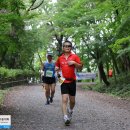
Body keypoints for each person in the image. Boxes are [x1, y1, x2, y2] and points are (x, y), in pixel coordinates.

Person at [55, 40, 83, 125]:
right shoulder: (60, 58)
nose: (67, 47)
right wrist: (56, 68)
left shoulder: (75, 57)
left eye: (69, 46)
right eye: (65, 46)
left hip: (72, 81)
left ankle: (70, 110)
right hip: (63, 81)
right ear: (63, 48)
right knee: (64, 99)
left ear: (71, 47)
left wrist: (74, 63)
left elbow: (80, 67)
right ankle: (65, 117)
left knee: (72, 101)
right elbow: (57, 66)